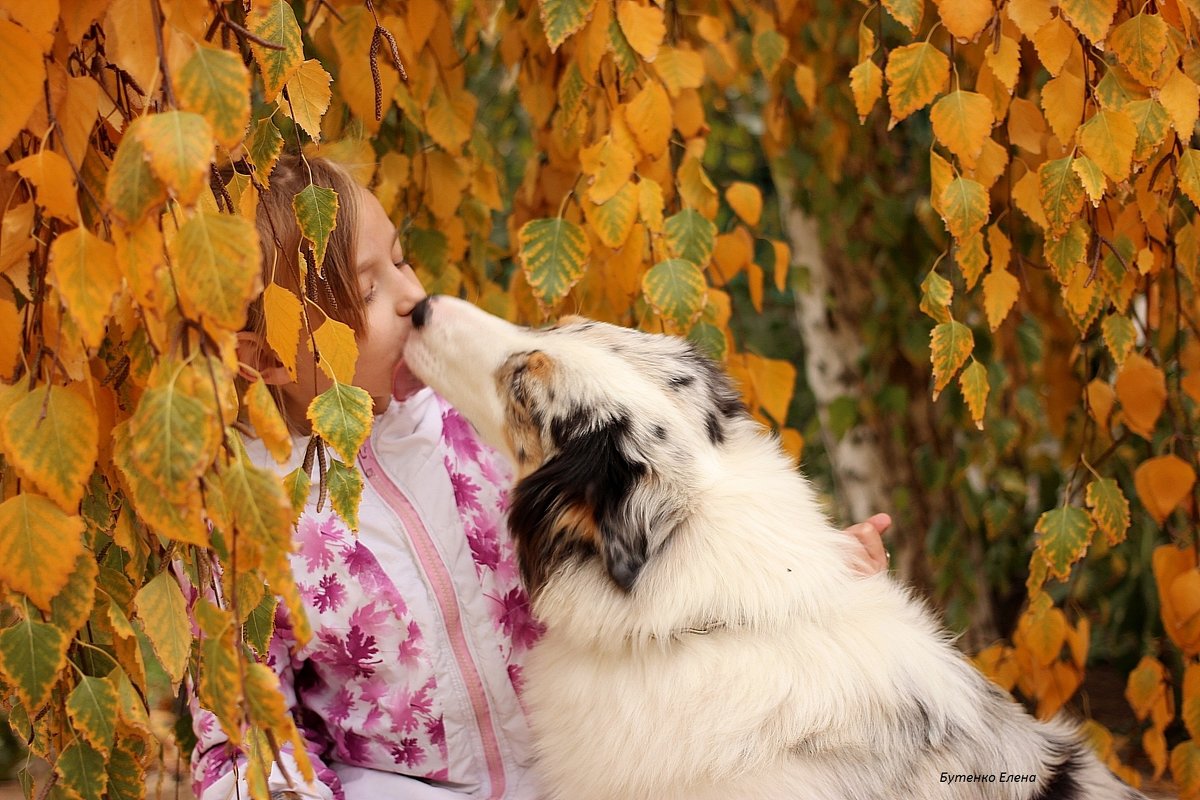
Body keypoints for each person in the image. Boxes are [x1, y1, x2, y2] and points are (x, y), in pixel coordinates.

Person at [188, 154, 893, 800]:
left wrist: (810, 579)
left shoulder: (495, 429)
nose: (412, 297)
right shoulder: (244, 523)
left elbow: (661, 566)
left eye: (403, 260)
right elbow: (243, 737)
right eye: (369, 290)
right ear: (266, 356)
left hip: (602, 767)